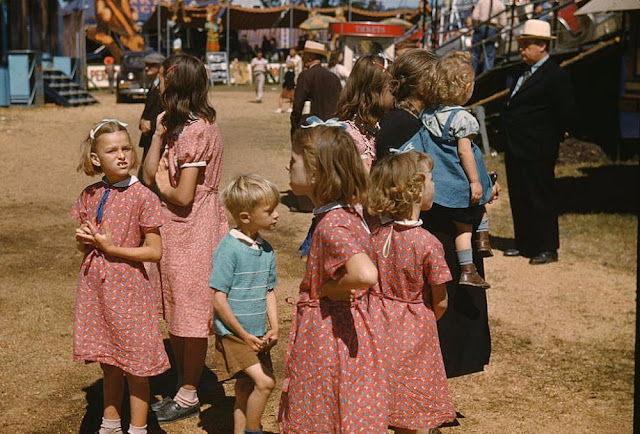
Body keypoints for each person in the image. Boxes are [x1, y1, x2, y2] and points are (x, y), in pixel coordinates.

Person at [376, 49, 493, 379]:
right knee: (440, 309)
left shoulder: (427, 119)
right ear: (423, 84)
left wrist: (485, 182)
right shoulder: (406, 124)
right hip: (436, 227)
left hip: (447, 219)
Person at [278, 124, 388, 433]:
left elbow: (365, 273)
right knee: (345, 405)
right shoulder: (348, 213)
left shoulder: (332, 225)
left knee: (321, 407)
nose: (289, 166)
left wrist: (327, 288)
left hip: (329, 337)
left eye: (295, 160)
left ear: (315, 172)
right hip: (351, 332)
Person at [142, 54, 229, 423]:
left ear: (177, 85)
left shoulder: (197, 131)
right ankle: (183, 381)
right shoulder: (175, 126)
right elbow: (146, 175)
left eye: (164, 79)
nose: (159, 85)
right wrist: (159, 137)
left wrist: (164, 183)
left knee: (191, 309)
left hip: (194, 227)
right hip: (175, 228)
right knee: (177, 306)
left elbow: (182, 195)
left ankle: (189, 391)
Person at [72, 119, 170, 434]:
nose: (122, 155)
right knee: (110, 361)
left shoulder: (143, 196)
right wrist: (86, 239)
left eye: (126, 148)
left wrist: (114, 249)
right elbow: (81, 246)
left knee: (137, 366)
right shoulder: (90, 193)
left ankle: (138, 428)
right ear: (96, 158)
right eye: (112, 150)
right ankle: (110, 424)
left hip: (129, 290)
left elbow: (154, 251)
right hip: (97, 289)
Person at [367, 151, 456, 434]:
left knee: (381, 396)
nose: (434, 184)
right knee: (412, 404)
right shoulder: (428, 244)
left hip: (375, 323)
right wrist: (428, 318)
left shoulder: (375, 235)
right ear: (416, 189)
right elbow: (440, 300)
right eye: (431, 178)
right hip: (415, 329)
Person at [501, 19, 576, 264]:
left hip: (538, 147)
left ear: (542, 46)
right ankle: (525, 242)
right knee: (520, 195)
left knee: (540, 196)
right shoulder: (523, 73)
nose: (521, 50)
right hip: (516, 146)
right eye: (520, 44)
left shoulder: (555, 75)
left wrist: (555, 135)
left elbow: (565, 111)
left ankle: (547, 246)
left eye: (526, 45)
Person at [211, 174, 280, 434]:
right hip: (234, 333)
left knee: (245, 389)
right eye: (269, 210)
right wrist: (243, 335)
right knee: (265, 383)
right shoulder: (228, 250)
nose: (276, 215)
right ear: (245, 217)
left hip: (257, 332)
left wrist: (274, 328)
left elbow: (268, 291)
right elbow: (218, 300)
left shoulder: (266, 249)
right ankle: (253, 430)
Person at [421, 51, 494, 289]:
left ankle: (477, 249)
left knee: (463, 222)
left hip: (442, 183)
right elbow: (464, 152)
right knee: (467, 224)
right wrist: (474, 181)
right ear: (465, 87)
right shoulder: (462, 118)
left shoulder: (429, 115)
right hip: (460, 182)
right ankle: (469, 266)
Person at [335, 54, 394, 172]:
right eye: (392, 88)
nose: (396, 94)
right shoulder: (349, 135)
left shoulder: (376, 127)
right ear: (375, 91)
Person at [290, 41, 342, 134]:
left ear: (310, 57)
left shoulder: (306, 76)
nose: (302, 58)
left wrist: (295, 127)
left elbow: (298, 105)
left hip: (312, 128)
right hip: (332, 128)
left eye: (304, 55)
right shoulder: (334, 77)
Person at [138, 52, 166, 171]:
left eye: (150, 65)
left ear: (160, 66)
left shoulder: (165, 87)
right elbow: (148, 109)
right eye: (146, 65)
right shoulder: (153, 85)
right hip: (148, 135)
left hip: (159, 137)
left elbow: (166, 112)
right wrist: (142, 121)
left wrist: (152, 124)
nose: (146, 68)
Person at [470, 0, 507, 73]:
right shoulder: (500, 4)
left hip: (480, 26)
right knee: (489, 55)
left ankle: (472, 74)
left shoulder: (481, 1)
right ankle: (486, 76)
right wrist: (497, 29)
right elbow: (503, 22)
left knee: (474, 53)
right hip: (492, 28)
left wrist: (475, 26)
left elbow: (474, 16)